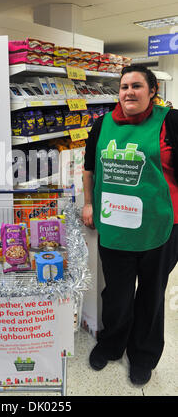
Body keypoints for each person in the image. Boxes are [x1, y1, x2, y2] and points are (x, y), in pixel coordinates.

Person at [82, 64, 178, 386]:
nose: (129, 93)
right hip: (116, 224)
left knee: (151, 294)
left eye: (136, 86)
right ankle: (111, 344)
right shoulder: (101, 125)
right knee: (118, 294)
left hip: (160, 227)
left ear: (153, 92)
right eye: (124, 87)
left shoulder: (171, 122)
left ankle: (143, 355)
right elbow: (89, 169)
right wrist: (89, 203)